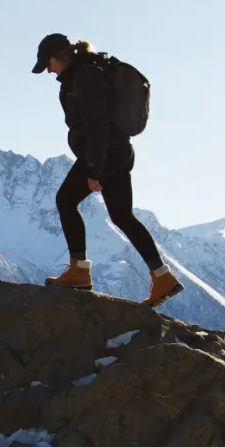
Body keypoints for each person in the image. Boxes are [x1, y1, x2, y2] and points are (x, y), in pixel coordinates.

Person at [32, 33, 184, 307]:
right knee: (122, 215)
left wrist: (93, 167)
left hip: (105, 153)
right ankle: (163, 277)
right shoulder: (89, 70)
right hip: (120, 151)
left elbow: (96, 123)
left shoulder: (85, 76)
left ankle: (79, 270)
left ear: (57, 56)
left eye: (48, 63)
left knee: (65, 200)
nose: (49, 70)